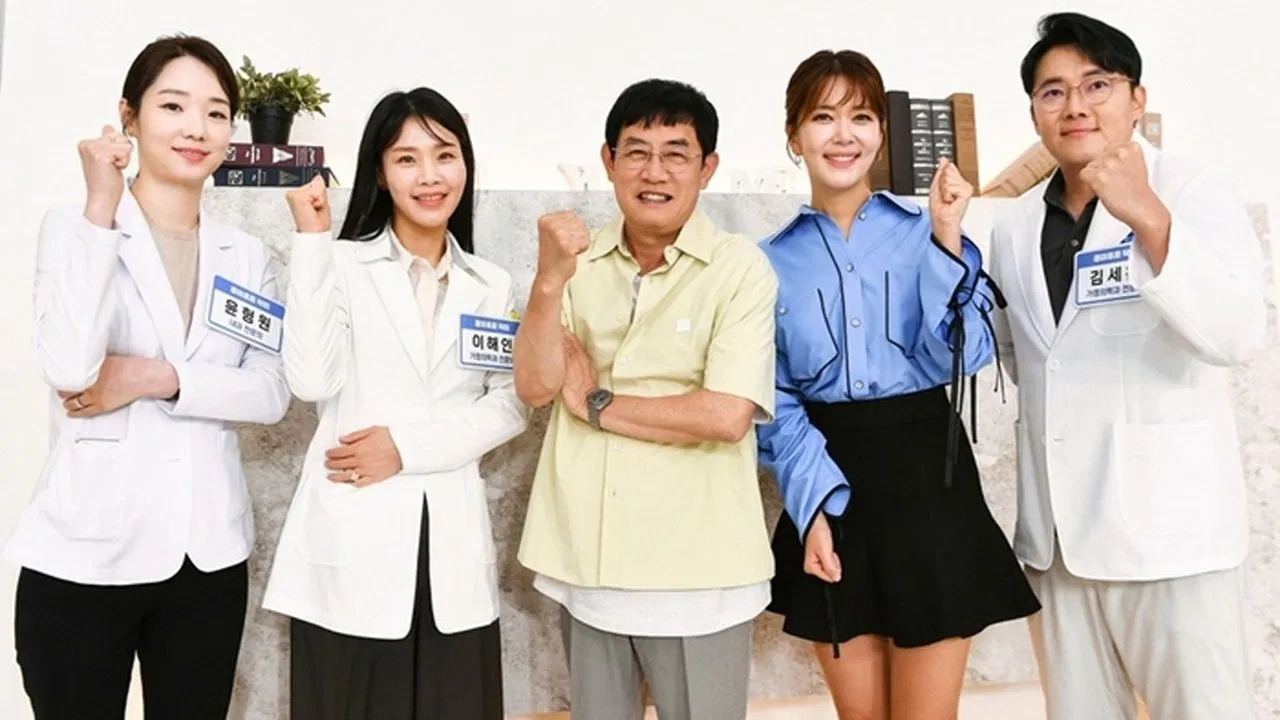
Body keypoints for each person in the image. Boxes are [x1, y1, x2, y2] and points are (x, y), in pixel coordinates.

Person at [988, 12, 1265, 719]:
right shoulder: (1014, 227)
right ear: (1034, 112)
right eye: (1053, 92)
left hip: (1170, 535)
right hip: (1058, 546)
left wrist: (1150, 218)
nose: (1075, 106)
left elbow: (1236, 335)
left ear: (1136, 99)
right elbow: (1027, 361)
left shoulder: (1191, 189)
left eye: (1097, 85)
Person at [5, 34, 290, 719]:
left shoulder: (246, 255)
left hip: (206, 557)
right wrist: (100, 208)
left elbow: (273, 391)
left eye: (217, 112)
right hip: (87, 552)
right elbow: (69, 367)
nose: (197, 128)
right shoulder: (74, 227)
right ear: (128, 116)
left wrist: (155, 377)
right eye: (173, 106)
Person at [757, 50, 1041, 720]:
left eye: (860, 117)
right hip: (829, 484)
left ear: (882, 133)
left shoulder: (931, 233)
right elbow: (776, 403)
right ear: (794, 135)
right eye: (823, 117)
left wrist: (946, 238)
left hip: (928, 484)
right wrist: (813, 509)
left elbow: (967, 353)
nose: (843, 135)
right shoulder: (766, 264)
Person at [513, 78, 778, 720]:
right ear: (609, 161)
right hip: (590, 562)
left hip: (701, 573)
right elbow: (536, 386)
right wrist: (547, 281)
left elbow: (725, 414)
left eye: (675, 154)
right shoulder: (575, 266)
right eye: (636, 151)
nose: (654, 172)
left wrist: (596, 402)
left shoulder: (740, 268)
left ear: (707, 167)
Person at [261, 87, 528, 720]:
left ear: (466, 165)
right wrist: (312, 240)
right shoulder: (341, 263)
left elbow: (511, 405)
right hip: (351, 547)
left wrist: (404, 449)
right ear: (380, 173)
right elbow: (311, 380)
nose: (430, 176)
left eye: (445, 155)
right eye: (407, 159)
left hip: (451, 557)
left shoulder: (491, 284)